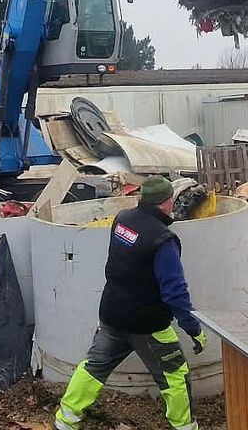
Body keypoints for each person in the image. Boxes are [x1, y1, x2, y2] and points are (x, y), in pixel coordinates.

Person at [54, 176, 207, 430]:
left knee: (93, 368)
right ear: (167, 202)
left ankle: (65, 421)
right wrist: (193, 328)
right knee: (174, 375)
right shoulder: (162, 239)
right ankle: (185, 427)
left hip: (112, 315)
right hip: (148, 325)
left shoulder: (123, 219)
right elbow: (174, 292)